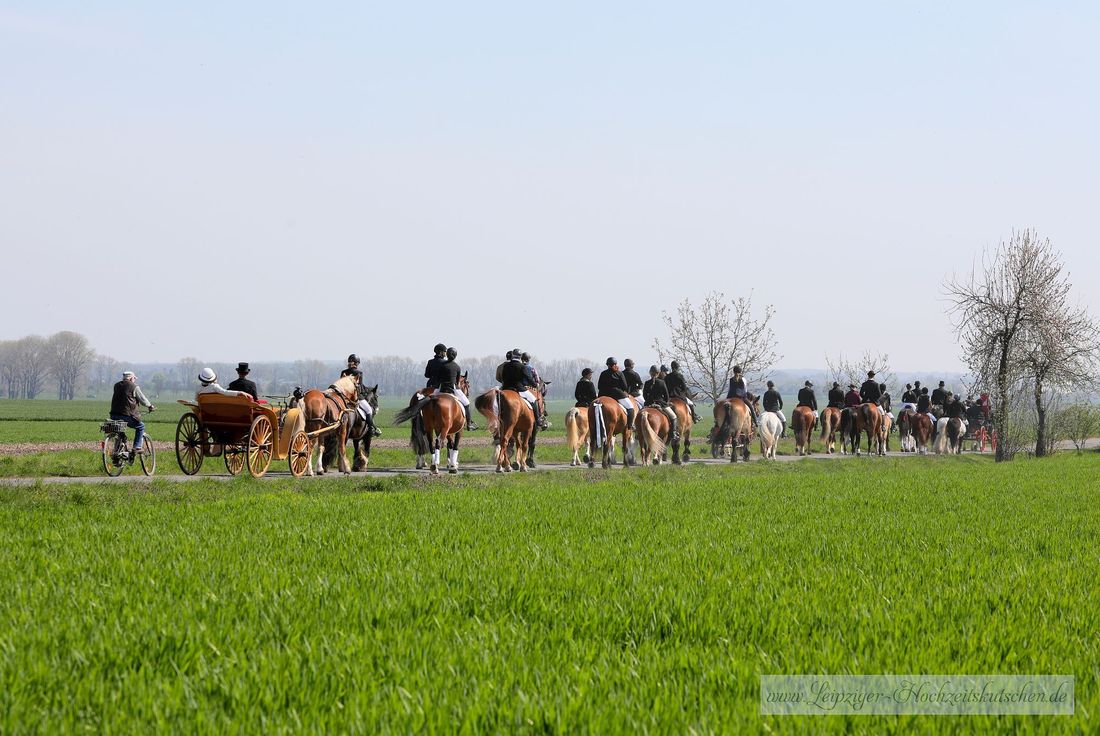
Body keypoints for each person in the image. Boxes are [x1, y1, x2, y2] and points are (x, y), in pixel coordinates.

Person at [109, 371, 154, 457]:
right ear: (131, 378)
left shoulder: (116, 385)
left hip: (113, 415)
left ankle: (118, 451)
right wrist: (150, 406)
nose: (134, 380)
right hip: (127, 416)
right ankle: (137, 447)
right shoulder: (133, 386)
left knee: (120, 432)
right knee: (141, 426)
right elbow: (142, 399)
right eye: (134, 378)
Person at [501, 351, 546, 429]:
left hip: (505, 388)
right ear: (520, 357)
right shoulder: (522, 366)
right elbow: (528, 378)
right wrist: (535, 385)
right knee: (534, 400)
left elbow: (503, 377)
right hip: (518, 388)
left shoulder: (506, 366)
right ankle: (538, 420)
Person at [439, 347, 476, 431]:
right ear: (455, 356)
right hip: (453, 388)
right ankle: (469, 424)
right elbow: (456, 381)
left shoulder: (442, 365)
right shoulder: (457, 367)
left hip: (441, 388)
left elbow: (438, 378)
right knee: (466, 403)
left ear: (447, 355)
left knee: (429, 400)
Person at [643, 365, 679, 440]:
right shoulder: (662, 382)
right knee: (673, 417)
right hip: (660, 404)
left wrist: (648, 401)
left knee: (639, 415)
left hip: (648, 404)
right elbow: (666, 396)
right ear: (658, 373)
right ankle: (673, 434)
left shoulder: (646, 383)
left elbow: (644, 395)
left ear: (650, 373)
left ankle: (637, 432)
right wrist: (665, 402)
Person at [598, 357, 636, 426]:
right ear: (615, 364)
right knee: (630, 407)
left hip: (604, 394)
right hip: (617, 395)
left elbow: (599, 386)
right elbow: (625, 386)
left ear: (608, 365)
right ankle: (630, 425)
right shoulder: (619, 373)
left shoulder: (603, 373)